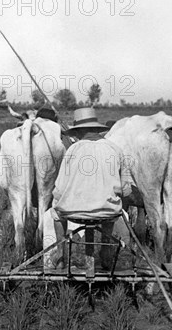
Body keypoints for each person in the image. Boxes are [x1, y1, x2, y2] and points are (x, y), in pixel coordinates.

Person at [43, 108, 132, 271]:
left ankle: (62, 255)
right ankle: (106, 251)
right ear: (97, 129)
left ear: (79, 131)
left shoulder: (72, 150)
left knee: (55, 212)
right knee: (112, 209)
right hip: (107, 213)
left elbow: (59, 190)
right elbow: (126, 191)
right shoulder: (116, 150)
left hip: (73, 213)